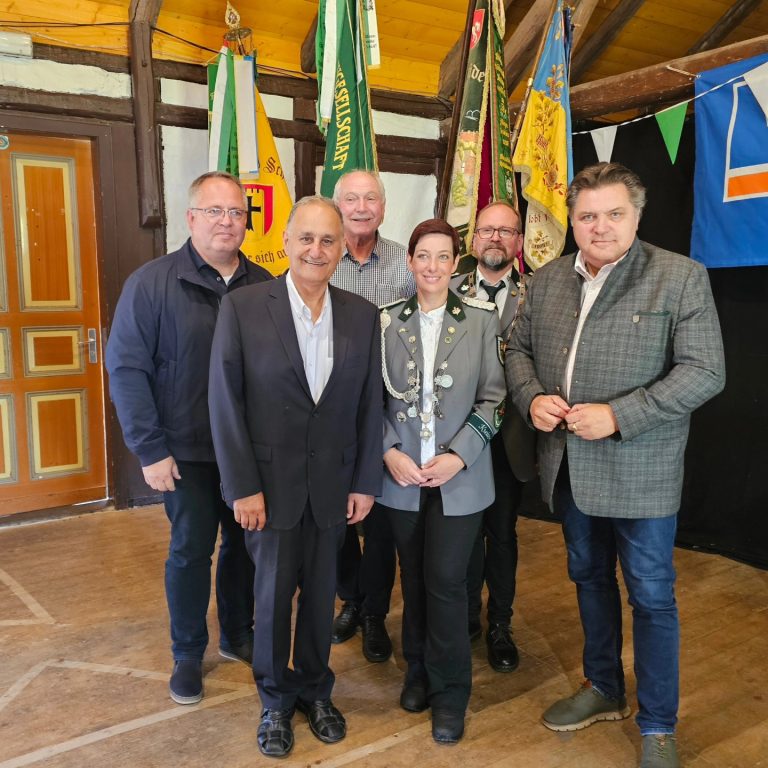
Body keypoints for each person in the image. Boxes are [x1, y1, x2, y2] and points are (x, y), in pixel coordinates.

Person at [506, 162, 725, 768]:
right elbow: (518, 350)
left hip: (642, 473)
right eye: (587, 216)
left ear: (636, 215)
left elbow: (706, 371)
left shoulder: (679, 277)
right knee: (589, 579)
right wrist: (532, 397)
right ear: (572, 221)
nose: (599, 226)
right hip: (569, 469)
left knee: (651, 597)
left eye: (613, 214)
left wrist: (620, 415)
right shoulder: (547, 279)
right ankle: (603, 686)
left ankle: (658, 725)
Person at [208, 196, 383, 759]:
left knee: (321, 598)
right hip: (268, 489)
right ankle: (275, 700)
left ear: (341, 248)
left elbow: (369, 406)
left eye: (328, 240)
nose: (316, 250)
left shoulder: (362, 315)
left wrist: (365, 481)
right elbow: (225, 404)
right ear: (285, 242)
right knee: (272, 599)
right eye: (306, 238)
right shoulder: (242, 308)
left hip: (334, 487)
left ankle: (314, 689)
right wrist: (242, 488)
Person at [105, 171, 272, 705]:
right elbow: (126, 369)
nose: (227, 221)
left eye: (237, 212)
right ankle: (187, 652)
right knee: (191, 550)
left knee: (244, 548)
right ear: (191, 217)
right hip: (186, 453)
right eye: (215, 211)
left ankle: (237, 634)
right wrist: (150, 449)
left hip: (248, 453)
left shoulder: (265, 285)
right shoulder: (151, 284)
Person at [377, 218, 506, 744]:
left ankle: (451, 692)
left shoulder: (480, 320)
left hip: (460, 479)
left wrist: (459, 456)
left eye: (443, 257)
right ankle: (418, 672)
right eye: (423, 256)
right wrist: (388, 451)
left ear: (456, 264)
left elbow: (495, 400)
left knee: (448, 582)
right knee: (412, 577)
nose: (432, 266)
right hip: (402, 478)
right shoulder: (385, 321)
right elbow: (369, 401)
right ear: (410, 261)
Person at [328, 170, 416, 663]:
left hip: (392, 408)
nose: (361, 207)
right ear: (336, 205)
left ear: (383, 205)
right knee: (339, 516)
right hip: (335, 408)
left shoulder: (406, 263)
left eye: (370, 198)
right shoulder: (321, 257)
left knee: (380, 521)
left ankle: (375, 613)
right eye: (351, 199)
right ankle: (351, 599)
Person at [451, 200, 537, 673]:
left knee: (501, 534)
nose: (495, 238)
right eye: (487, 230)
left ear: (519, 242)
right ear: (474, 238)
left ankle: (500, 623)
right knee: (464, 534)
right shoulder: (448, 289)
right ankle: (466, 617)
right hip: (460, 436)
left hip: (510, 439)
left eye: (506, 231)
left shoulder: (538, 293)